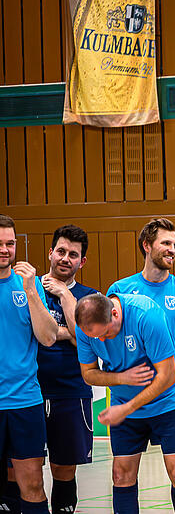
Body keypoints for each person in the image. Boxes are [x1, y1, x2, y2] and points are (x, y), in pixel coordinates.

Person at [75, 292, 175, 514]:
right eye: (96, 337)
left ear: (114, 313)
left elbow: (167, 376)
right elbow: (88, 373)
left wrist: (126, 408)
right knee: (121, 474)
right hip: (124, 404)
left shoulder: (146, 315)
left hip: (169, 401)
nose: (102, 340)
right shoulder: (85, 328)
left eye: (106, 333)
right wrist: (121, 378)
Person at [34, 224, 98, 514]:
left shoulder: (90, 296)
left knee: (64, 469)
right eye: (61, 251)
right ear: (50, 252)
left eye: (73, 255)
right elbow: (34, 334)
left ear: (81, 262)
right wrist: (65, 333)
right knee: (22, 467)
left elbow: (85, 337)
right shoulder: (29, 288)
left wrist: (64, 294)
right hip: (29, 392)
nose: (65, 258)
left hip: (72, 392)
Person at [0, 215, 59, 514]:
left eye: (10, 243)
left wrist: (31, 291)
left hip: (24, 401)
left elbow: (48, 337)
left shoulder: (30, 285)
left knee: (33, 484)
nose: (4, 250)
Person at [107, 217, 175, 368]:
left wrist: (165, 352)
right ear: (147, 246)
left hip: (173, 378)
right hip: (132, 377)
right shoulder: (119, 290)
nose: (172, 250)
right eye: (166, 243)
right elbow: (109, 339)